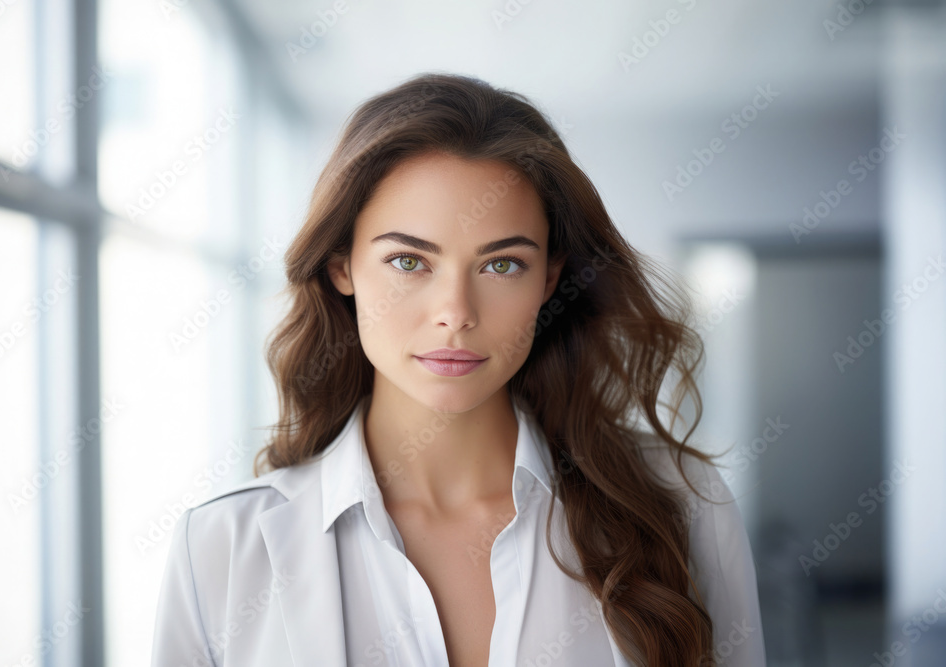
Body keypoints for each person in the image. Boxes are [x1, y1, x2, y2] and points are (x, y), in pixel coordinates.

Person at [151, 72, 767, 667]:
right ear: (342, 265)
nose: (456, 314)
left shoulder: (683, 506)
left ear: (549, 278)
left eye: (502, 265)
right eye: (409, 261)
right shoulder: (221, 549)